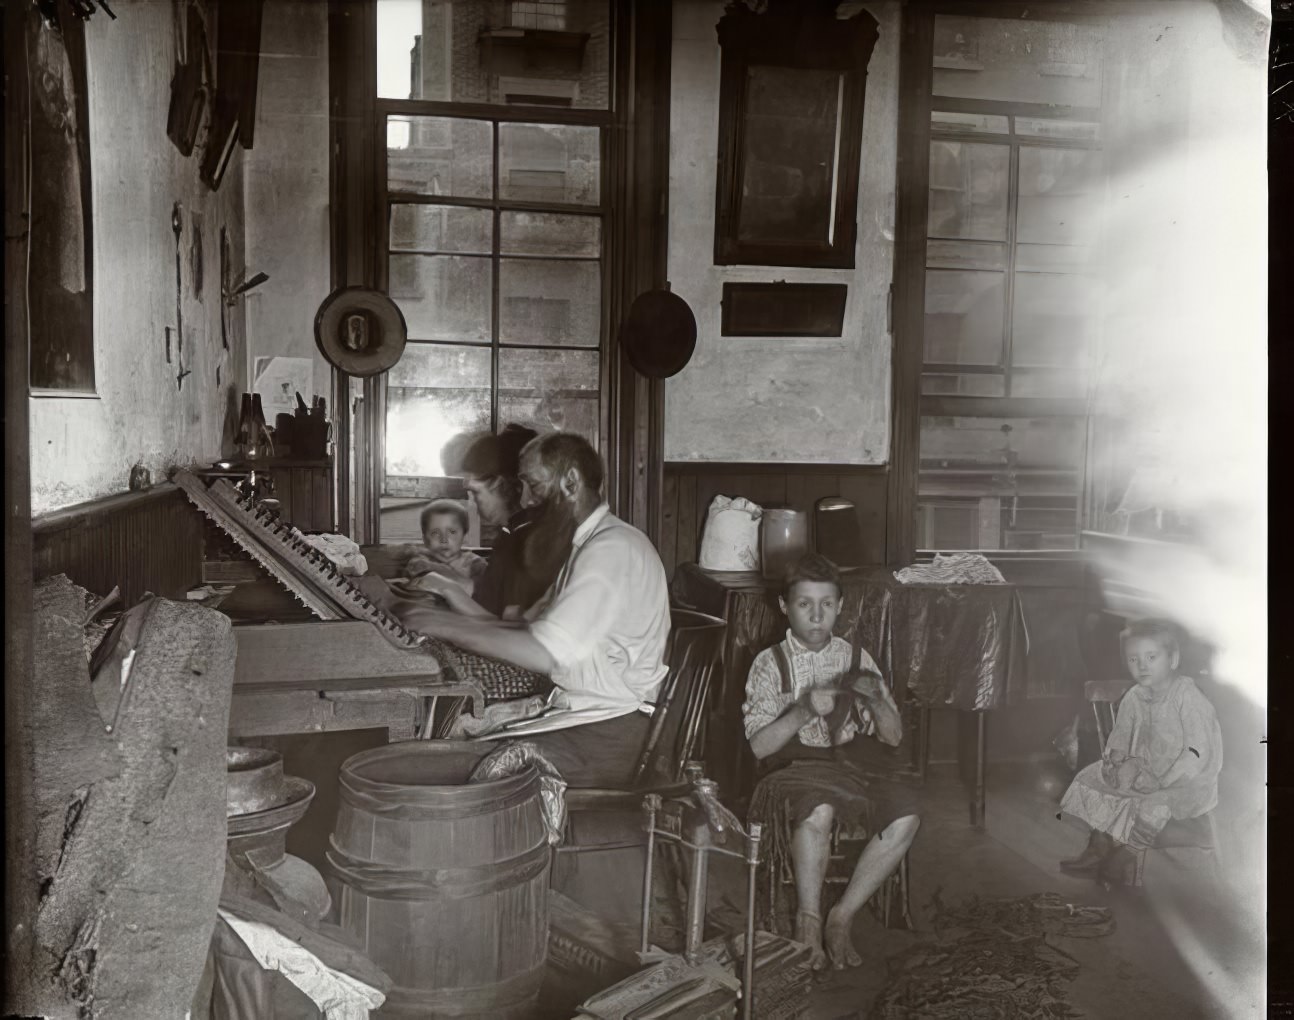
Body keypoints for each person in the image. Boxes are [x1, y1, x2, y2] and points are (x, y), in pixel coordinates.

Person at [398, 431, 671, 787]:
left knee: (454, 769)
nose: (525, 500)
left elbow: (544, 653)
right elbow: (530, 630)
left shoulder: (611, 549)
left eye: (533, 485)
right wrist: (443, 620)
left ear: (570, 481)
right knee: (448, 741)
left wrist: (445, 625)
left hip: (611, 732)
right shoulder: (591, 544)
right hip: (594, 717)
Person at [743, 553, 920, 972]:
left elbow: (892, 737)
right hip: (792, 771)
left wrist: (878, 701)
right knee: (818, 808)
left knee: (906, 814)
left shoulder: (857, 658)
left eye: (827, 604)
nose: (817, 615)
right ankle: (809, 920)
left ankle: (841, 915)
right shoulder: (769, 664)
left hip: (855, 768)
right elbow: (758, 748)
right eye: (805, 604)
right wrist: (803, 711)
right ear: (784, 607)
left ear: (841, 606)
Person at [1058, 618, 1222, 886]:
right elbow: (1120, 735)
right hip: (1144, 769)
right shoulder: (1134, 696)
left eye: (1151, 657)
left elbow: (1197, 751)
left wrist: (1162, 781)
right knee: (1090, 778)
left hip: (1186, 779)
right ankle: (1099, 845)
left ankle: (1128, 852)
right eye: (1134, 659)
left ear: (1173, 659)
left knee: (1154, 802)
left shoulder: (1187, 696)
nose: (1142, 665)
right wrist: (1115, 758)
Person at [404, 499, 486, 596]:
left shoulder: (476, 565)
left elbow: (483, 595)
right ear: (425, 539)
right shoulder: (420, 563)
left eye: (452, 532)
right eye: (435, 533)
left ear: (464, 536)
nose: (444, 540)